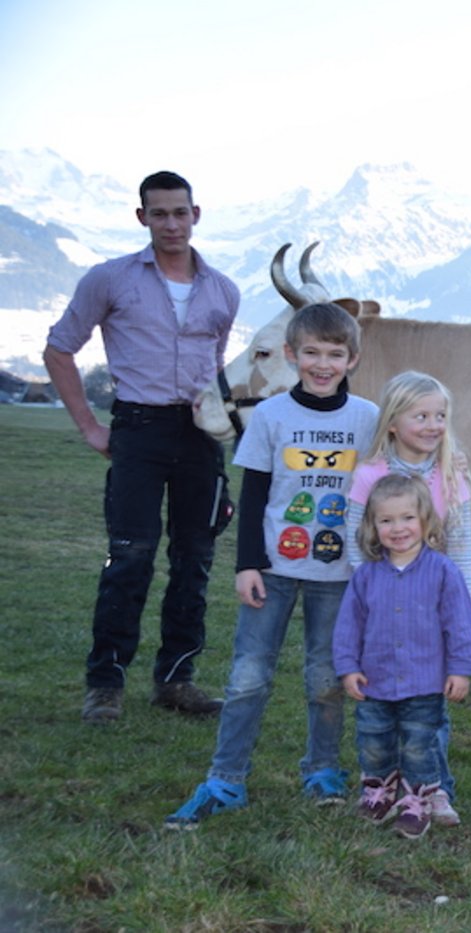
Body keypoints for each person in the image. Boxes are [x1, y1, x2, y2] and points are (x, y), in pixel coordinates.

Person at [165, 302, 380, 829]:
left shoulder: (368, 418)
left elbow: (380, 488)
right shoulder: (272, 415)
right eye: (311, 353)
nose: (322, 364)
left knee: (326, 677)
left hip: (340, 573)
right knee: (247, 677)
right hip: (275, 569)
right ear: (290, 355)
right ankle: (226, 778)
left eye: (335, 354)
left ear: (353, 359)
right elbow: (256, 490)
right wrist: (247, 565)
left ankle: (323, 770)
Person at [44, 170, 240, 723]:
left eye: (180, 212)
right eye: (159, 214)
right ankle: (105, 683)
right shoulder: (109, 280)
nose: (171, 224)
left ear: (196, 215)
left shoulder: (224, 290)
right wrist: (89, 426)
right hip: (137, 429)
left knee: (194, 560)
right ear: (142, 218)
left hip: (200, 436)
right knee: (129, 557)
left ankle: (177, 681)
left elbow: (217, 368)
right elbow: (59, 350)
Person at [345, 370, 471, 827]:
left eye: (440, 415)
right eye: (420, 415)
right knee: (381, 716)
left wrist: (461, 611)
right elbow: (353, 543)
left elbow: (459, 545)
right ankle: (386, 787)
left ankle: (434, 791)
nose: (432, 424)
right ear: (392, 422)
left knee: (429, 709)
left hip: (433, 605)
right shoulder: (369, 475)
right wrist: (374, 598)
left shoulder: (449, 473)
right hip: (385, 609)